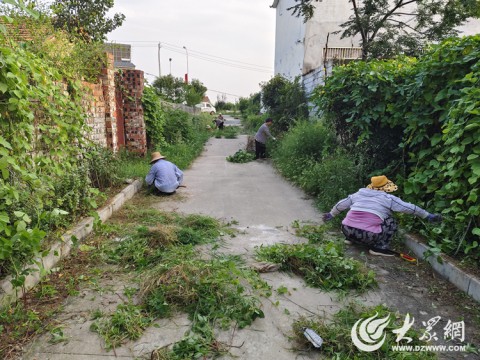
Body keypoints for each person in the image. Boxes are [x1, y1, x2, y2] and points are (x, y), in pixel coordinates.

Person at [322, 175, 442, 256]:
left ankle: (350, 239)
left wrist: (331, 214)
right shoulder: (388, 198)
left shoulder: (358, 194)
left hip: (347, 230)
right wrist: (428, 216)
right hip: (368, 236)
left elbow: (341, 204)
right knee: (391, 221)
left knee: (353, 214)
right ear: (386, 186)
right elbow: (409, 208)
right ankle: (379, 248)